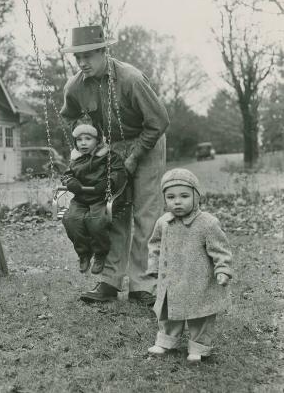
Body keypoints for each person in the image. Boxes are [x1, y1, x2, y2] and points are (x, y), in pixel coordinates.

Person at [60, 25, 169, 304]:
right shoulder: (75, 86)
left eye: (89, 56)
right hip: (112, 148)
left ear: (104, 52)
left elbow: (158, 121)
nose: (83, 63)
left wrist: (134, 157)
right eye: (78, 58)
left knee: (146, 213)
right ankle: (109, 281)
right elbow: (69, 116)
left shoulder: (131, 79)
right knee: (112, 211)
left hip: (148, 140)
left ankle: (142, 285)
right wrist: (86, 141)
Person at [147, 168, 232, 363]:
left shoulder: (207, 223)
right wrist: (154, 268)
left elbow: (221, 249)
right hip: (171, 280)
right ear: (165, 199)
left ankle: (198, 347)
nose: (177, 201)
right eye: (171, 197)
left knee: (199, 314)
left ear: (196, 196)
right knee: (168, 312)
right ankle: (166, 340)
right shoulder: (163, 222)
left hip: (198, 280)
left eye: (184, 196)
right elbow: (155, 246)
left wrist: (222, 269)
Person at [62, 121, 127, 275]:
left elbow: (119, 173)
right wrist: (71, 182)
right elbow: (66, 176)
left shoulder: (108, 157)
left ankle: (100, 254)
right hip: (80, 198)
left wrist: (107, 182)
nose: (83, 143)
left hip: (101, 197)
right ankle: (84, 254)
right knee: (71, 220)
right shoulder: (75, 159)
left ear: (98, 140)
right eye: (79, 139)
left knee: (96, 222)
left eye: (88, 138)